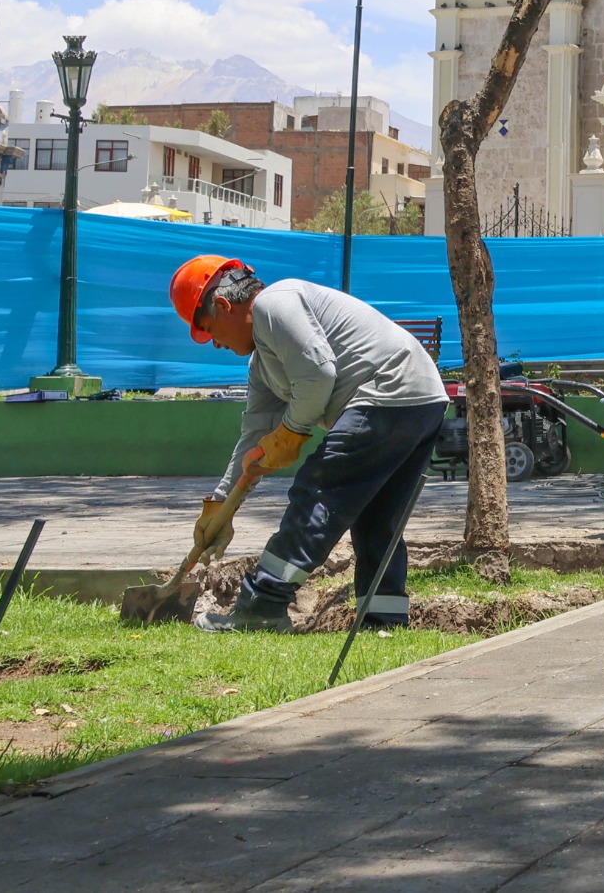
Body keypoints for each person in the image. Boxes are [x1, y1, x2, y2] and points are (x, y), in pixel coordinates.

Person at [171, 255, 450, 633]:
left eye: (208, 330)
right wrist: (221, 504)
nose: (214, 345)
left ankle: (262, 605)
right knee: (378, 518)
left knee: (317, 493)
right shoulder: (262, 366)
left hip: (385, 393)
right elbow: (253, 437)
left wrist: (291, 431)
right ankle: (384, 618)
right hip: (421, 399)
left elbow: (318, 375)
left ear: (223, 306)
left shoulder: (275, 304)